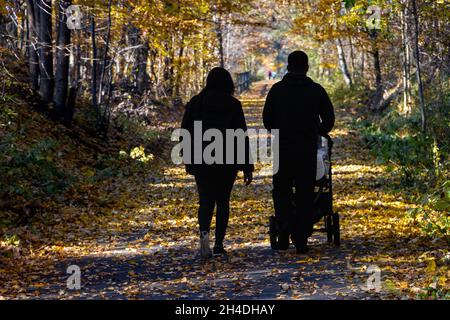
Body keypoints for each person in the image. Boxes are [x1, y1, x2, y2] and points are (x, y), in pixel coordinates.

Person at [263, 51, 335, 254]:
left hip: (283, 148)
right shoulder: (316, 90)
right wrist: (318, 131)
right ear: (307, 67)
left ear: (288, 66)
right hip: (307, 149)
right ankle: (301, 236)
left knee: (281, 190)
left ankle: (284, 229)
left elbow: (267, 119)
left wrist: (279, 131)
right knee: (305, 192)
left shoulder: (277, 91)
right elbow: (329, 119)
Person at [181, 67, 254, 259]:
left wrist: (188, 160)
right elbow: (241, 136)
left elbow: (185, 132)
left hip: (202, 159)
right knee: (223, 201)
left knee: (205, 201)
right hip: (227, 159)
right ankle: (219, 244)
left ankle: (204, 240)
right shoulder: (233, 105)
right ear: (228, 83)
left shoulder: (196, 103)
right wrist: (247, 166)